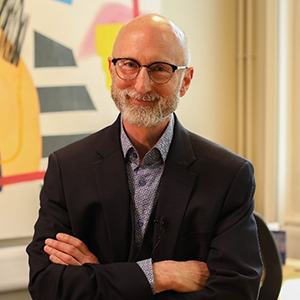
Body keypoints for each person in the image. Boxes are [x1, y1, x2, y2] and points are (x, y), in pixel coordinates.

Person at [26, 13, 262, 300]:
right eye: (129, 65)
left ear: (185, 80)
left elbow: (236, 293)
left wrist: (101, 277)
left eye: (160, 68)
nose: (141, 85)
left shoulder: (229, 175)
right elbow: (47, 286)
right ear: (112, 70)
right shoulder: (67, 168)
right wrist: (161, 275)